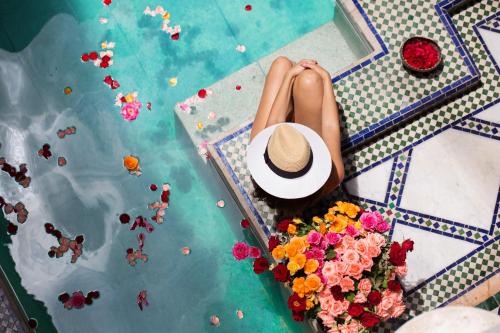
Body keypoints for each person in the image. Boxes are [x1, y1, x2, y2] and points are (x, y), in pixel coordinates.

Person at [247, 57, 344, 216]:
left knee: (282, 65)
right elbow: (330, 127)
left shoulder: (261, 164)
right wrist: (325, 80)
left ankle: (294, 95)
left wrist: (289, 77)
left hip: (283, 142)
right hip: (296, 138)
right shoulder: (332, 175)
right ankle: (298, 95)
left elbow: (275, 121)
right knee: (309, 80)